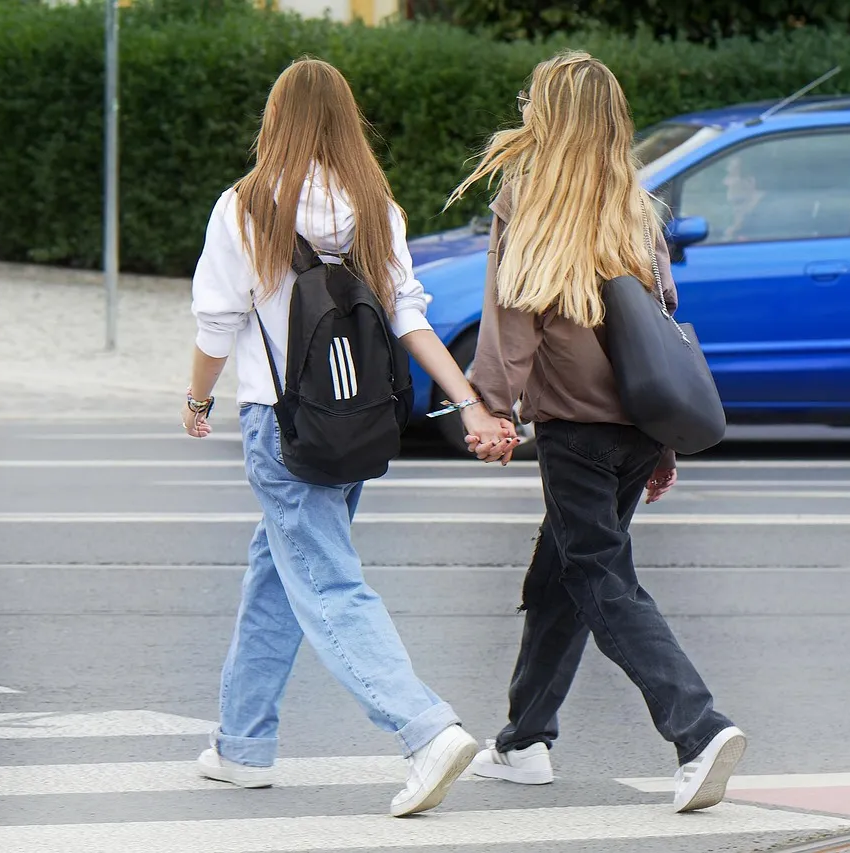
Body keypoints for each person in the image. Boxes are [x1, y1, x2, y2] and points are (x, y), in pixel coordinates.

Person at [181, 57, 516, 818]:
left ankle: (423, 728)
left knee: (326, 581)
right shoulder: (375, 206)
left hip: (283, 424)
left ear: (275, 121)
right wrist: (466, 402)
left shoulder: (245, 206)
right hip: (358, 421)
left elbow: (217, 321)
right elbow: (409, 315)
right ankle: (242, 745)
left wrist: (198, 397)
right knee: (279, 572)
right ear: (346, 120)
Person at [450, 51, 746, 813]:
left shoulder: (528, 198)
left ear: (550, 116)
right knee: (560, 576)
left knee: (600, 580)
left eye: (534, 100)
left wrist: (490, 408)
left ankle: (697, 726)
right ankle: (524, 740)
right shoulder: (635, 207)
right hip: (636, 428)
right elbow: (659, 328)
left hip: (576, 431)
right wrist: (663, 438)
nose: (525, 108)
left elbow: (510, 317)